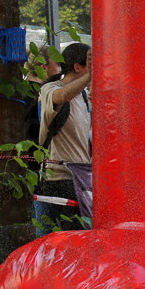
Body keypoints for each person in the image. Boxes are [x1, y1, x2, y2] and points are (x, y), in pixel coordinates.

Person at [35, 42, 92, 235]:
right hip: (58, 180)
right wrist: (90, 77)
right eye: (90, 66)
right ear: (78, 67)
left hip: (81, 181)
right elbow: (61, 96)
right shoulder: (50, 89)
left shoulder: (84, 96)